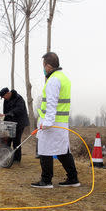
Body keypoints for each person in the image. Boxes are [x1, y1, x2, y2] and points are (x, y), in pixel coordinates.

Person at [31, 52, 79, 188]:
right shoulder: (64, 78)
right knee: (63, 149)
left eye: (44, 65)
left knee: (45, 149)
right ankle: (73, 178)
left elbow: (52, 103)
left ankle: (46, 181)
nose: (43, 68)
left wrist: (47, 122)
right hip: (61, 122)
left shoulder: (53, 80)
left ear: (48, 66)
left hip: (51, 122)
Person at [0, 87, 30, 163]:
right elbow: (5, 112)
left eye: (4, 96)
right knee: (7, 140)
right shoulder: (6, 100)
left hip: (20, 123)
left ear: (8, 93)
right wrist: (4, 119)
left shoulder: (18, 98)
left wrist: (10, 113)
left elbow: (19, 109)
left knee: (16, 141)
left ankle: (16, 159)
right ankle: (7, 157)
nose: (3, 98)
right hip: (10, 123)